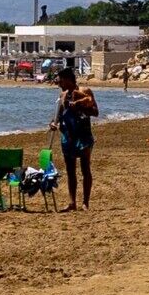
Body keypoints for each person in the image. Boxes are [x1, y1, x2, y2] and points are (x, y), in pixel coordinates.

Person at [55, 63, 99, 209]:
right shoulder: (62, 96)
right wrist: (53, 124)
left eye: (60, 81)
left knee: (85, 168)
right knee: (70, 170)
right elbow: (58, 116)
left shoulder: (84, 91)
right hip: (68, 136)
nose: (59, 84)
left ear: (68, 80)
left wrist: (79, 105)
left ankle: (85, 203)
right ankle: (72, 202)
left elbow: (95, 112)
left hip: (84, 135)